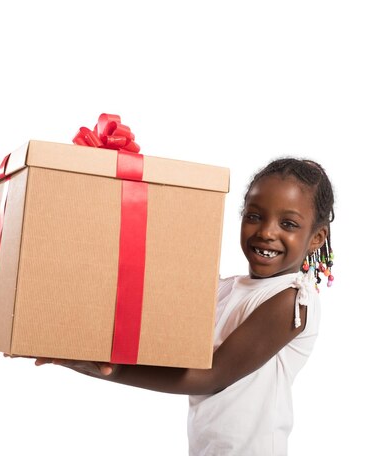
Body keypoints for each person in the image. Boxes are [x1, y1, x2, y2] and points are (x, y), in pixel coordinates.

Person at [32, 157, 335, 456]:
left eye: (288, 223)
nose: (267, 232)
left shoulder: (294, 300)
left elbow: (211, 376)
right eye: (254, 216)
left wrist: (99, 368)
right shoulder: (227, 287)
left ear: (316, 238)